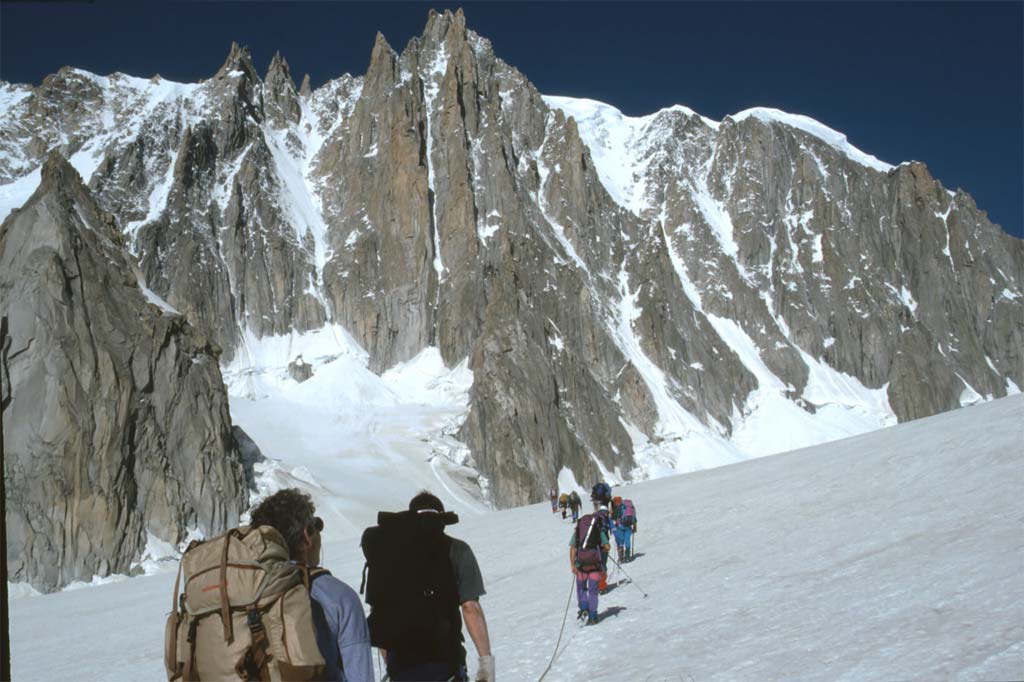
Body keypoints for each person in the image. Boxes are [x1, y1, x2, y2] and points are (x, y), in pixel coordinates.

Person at [363, 491, 494, 682]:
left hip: (401, 667)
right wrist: (486, 665)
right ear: (442, 520)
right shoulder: (456, 549)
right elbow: (470, 608)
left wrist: (393, 665)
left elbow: (381, 615)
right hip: (444, 663)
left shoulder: (387, 556)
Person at [249, 488, 374, 682]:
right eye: (316, 526)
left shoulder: (239, 591)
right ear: (307, 536)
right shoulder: (339, 597)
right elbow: (360, 676)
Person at [569, 504, 610, 626]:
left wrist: (572, 565)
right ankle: (593, 616)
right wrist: (600, 547)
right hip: (595, 566)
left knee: (581, 588)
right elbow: (607, 546)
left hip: (581, 565)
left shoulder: (579, 530)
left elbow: (572, 548)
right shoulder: (598, 529)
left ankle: (583, 608)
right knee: (593, 591)